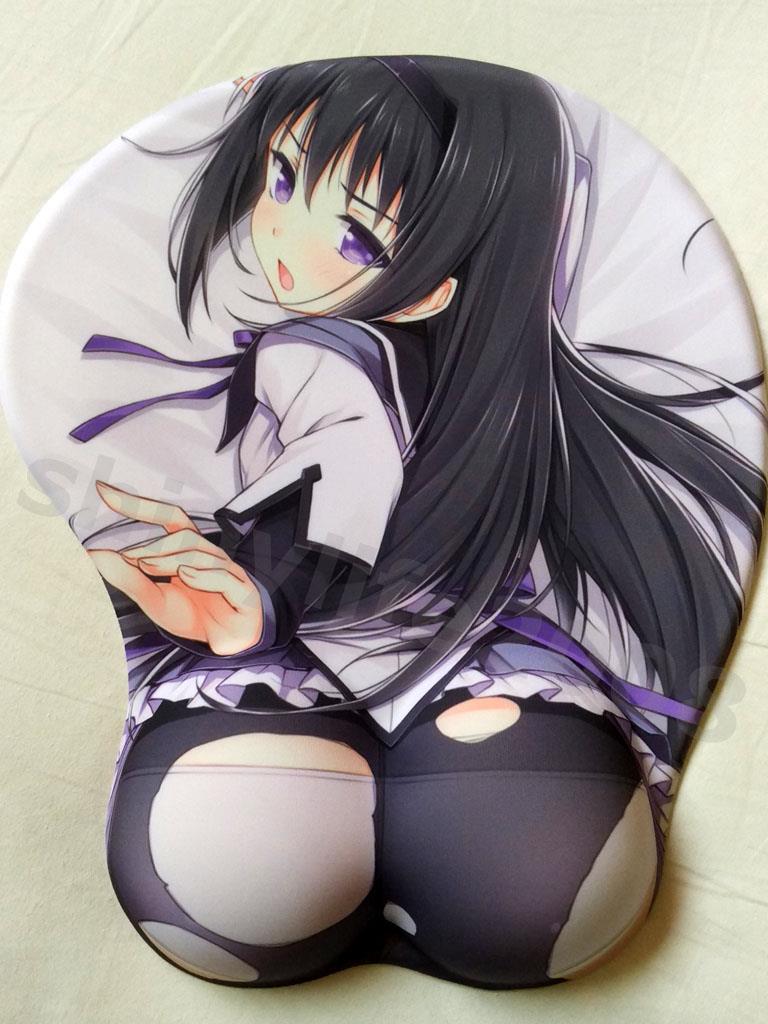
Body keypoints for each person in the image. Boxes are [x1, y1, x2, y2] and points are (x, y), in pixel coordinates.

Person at [67, 55, 765, 988]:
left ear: (436, 286)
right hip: (485, 680)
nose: (284, 238)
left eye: (357, 236)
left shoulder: (314, 359)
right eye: (283, 175)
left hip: (323, 668)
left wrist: (264, 605)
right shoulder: (454, 391)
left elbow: (340, 485)